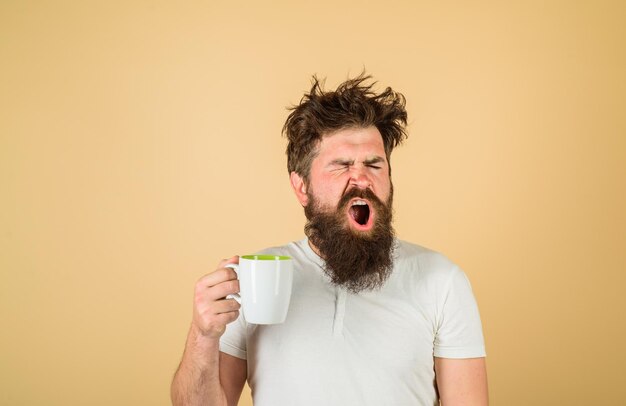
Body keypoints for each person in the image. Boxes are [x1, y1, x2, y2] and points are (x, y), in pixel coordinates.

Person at [171, 74, 488, 406]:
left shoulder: (441, 280)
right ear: (301, 187)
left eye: (374, 164)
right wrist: (203, 336)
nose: (361, 178)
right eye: (341, 165)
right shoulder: (252, 280)